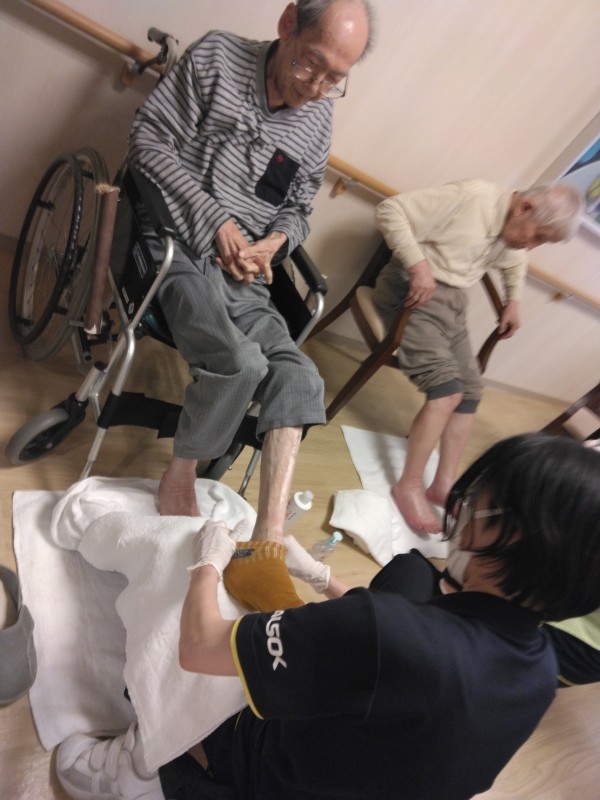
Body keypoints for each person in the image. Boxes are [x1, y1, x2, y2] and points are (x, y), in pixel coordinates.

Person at [55, 433, 600, 799]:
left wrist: (206, 562)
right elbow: (380, 637)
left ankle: (145, 770)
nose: (468, 504)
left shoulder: (387, 634)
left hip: (262, 779)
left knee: (181, 573)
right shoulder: (540, 671)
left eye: (483, 499)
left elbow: (199, 646)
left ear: (515, 536)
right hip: (362, 768)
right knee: (411, 572)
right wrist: (320, 577)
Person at [127, 0, 374, 527]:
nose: (316, 87)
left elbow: (299, 208)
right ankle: (182, 472)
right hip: (177, 246)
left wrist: (275, 242)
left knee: (301, 379)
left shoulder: (317, 118)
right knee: (242, 363)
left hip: (244, 273)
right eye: (310, 64)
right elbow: (147, 140)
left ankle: (269, 535)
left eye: (334, 78)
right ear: (288, 24)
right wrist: (216, 222)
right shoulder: (218, 58)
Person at [371, 180, 584, 533]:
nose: (531, 246)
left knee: (470, 393)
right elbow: (390, 209)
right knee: (447, 392)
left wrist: (513, 301)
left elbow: (516, 262)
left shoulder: (512, 229)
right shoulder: (471, 198)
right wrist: (418, 266)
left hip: (450, 302)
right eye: (537, 236)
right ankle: (408, 485)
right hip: (411, 292)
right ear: (525, 208)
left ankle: (443, 484)